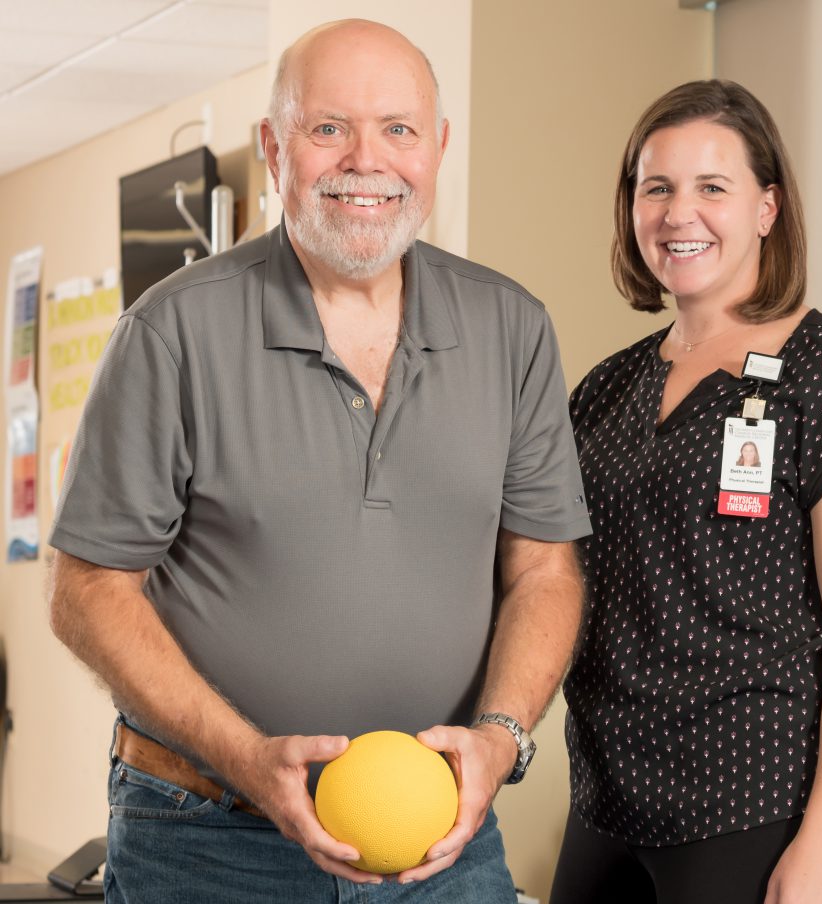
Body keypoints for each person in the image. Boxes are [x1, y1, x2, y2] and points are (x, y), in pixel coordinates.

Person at [47, 19, 590, 903]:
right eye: (328, 127)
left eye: (399, 129)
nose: (365, 160)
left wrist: (499, 736)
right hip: (209, 842)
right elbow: (87, 591)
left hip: (439, 847)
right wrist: (245, 758)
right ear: (274, 146)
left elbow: (544, 568)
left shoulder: (512, 329)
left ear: (438, 146)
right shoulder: (172, 333)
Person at [550, 80, 822, 904]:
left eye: (713, 187)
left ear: (766, 208)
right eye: (657, 188)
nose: (681, 213)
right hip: (605, 804)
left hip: (756, 810)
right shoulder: (605, 390)